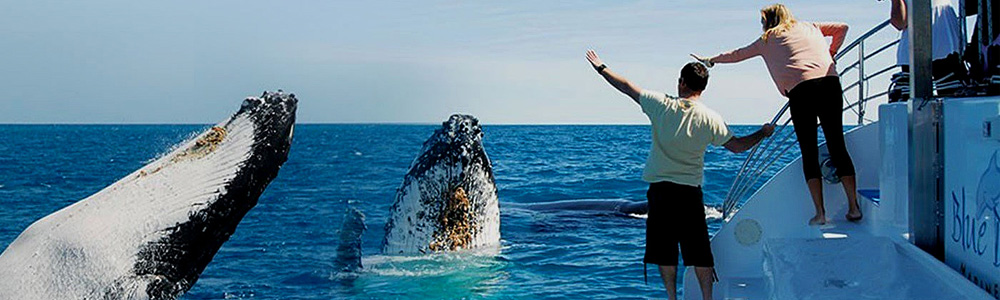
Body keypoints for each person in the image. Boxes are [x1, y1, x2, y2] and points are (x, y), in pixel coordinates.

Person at [585, 49, 774, 300]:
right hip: (689, 193)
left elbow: (626, 87)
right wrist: (762, 133)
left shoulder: (661, 104)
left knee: (664, 251)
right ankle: (707, 298)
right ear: (703, 88)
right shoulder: (710, 118)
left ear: (682, 82)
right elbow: (737, 146)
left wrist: (601, 68)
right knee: (699, 252)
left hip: (661, 191)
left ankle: (672, 298)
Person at [692, 3, 861, 225]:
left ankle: (820, 213)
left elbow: (737, 54)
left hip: (801, 93)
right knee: (837, 145)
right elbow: (842, 28)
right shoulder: (810, 27)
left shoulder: (767, 39)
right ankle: (854, 207)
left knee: (808, 151)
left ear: (768, 22)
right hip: (830, 84)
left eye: (763, 22)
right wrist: (831, 53)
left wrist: (711, 60)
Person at [888, 0, 968, 102]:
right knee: (954, 100)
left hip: (918, 47)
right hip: (944, 41)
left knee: (916, 104)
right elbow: (899, 22)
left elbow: (899, 22)